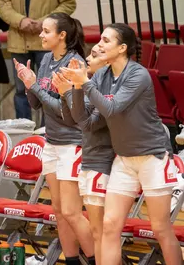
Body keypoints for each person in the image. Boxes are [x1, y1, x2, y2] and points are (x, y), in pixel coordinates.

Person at [61, 23, 182, 265]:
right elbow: (89, 122)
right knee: (109, 225)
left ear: (122, 48)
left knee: (160, 227)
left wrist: (85, 82)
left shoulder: (138, 74)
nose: (100, 44)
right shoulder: (104, 75)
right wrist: (74, 89)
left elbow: (112, 109)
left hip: (152, 157)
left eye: (106, 40)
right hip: (124, 159)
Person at [15, 13, 95, 265]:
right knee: (60, 213)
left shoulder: (75, 65)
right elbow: (38, 104)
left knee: (72, 212)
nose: (40, 35)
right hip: (52, 141)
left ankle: (97, 259)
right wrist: (29, 85)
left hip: (73, 144)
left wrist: (34, 85)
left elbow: (67, 113)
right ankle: (71, 261)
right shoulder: (48, 59)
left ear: (62, 35)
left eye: (46, 31)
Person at [52, 45, 112, 264]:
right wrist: (65, 92)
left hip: (91, 153)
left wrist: (71, 90)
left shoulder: (106, 85)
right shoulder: (92, 81)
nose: (87, 58)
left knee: (92, 223)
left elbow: (87, 123)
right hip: (84, 151)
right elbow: (70, 116)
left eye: (94, 55)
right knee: (67, 212)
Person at [0, 0, 76, 120]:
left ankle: (48, 132)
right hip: (19, 42)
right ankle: (24, 132)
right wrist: (20, 21)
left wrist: (45, 22)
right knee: (21, 91)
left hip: (46, 43)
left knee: (50, 89)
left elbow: (69, 2)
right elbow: (1, 4)